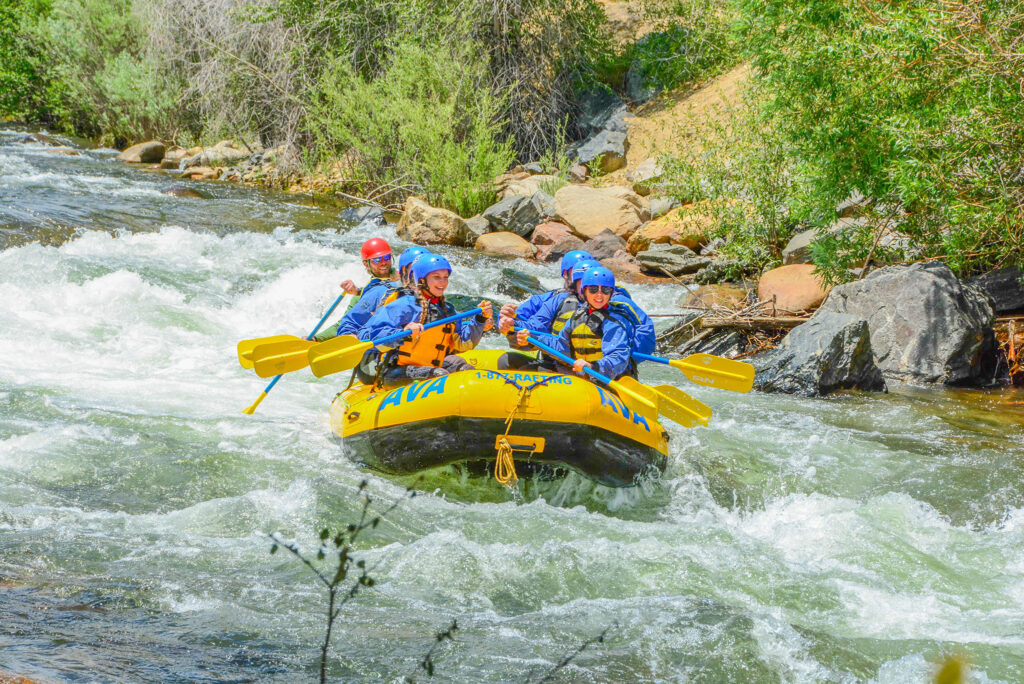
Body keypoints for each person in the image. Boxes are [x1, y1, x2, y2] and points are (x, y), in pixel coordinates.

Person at [358, 254, 493, 384]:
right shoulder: (404, 305)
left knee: (466, 370)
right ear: (422, 280)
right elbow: (369, 335)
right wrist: (402, 331)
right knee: (438, 374)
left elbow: (463, 344)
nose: (443, 282)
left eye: (445, 277)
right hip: (395, 370)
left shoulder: (448, 311)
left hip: (430, 365)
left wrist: (480, 320)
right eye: (436, 277)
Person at [495, 250, 592, 371]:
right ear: (566, 273)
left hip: (583, 363)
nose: (583, 276)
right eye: (576, 270)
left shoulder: (605, 299)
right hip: (554, 358)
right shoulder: (551, 299)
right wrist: (508, 322)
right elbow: (530, 324)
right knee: (506, 360)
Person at [537, 266, 633, 380]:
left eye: (605, 290)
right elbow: (561, 346)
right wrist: (531, 339)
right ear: (584, 291)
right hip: (584, 376)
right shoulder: (577, 316)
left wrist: (592, 367)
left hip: (608, 379)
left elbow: (618, 356)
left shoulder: (614, 321)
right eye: (593, 289)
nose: (599, 295)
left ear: (611, 293)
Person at [314, 237, 397, 341]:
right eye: (377, 259)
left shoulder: (403, 275)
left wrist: (357, 291)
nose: (383, 262)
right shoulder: (362, 296)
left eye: (387, 257)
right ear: (366, 264)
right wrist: (317, 339)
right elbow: (343, 324)